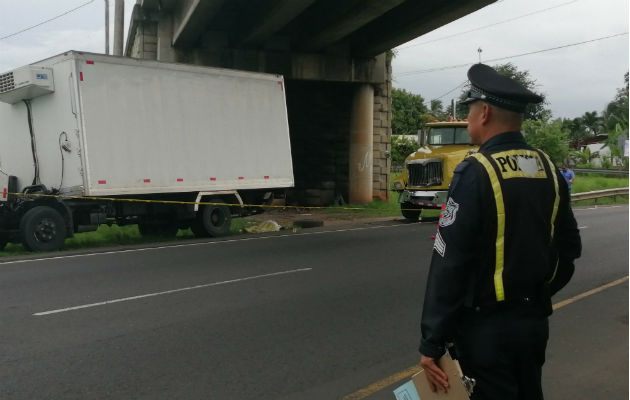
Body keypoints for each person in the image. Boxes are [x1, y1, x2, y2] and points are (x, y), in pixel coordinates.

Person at [418, 64, 582, 400]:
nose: (467, 121)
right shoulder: (548, 168)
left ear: (485, 112)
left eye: (469, 112)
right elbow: (569, 250)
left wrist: (431, 341)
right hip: (534, 324)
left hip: (486, 331)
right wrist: (535, 297)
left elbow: (450, 263)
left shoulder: (476, 171)